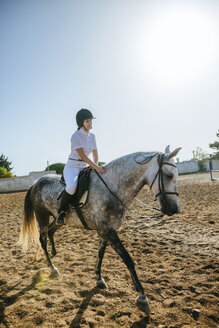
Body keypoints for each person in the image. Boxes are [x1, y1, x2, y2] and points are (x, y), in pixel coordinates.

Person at [56, 108, 106, 225]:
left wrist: (96, 165)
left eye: (90, 121)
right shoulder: (75, 136)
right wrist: (96, 167)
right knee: (72, 186)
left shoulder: (92, 136)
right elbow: (82, 155)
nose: (90, 123)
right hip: (72, 166)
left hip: (84, 166)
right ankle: (61, 212)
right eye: (87, 121)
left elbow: (95, 153)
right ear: (81, 122)